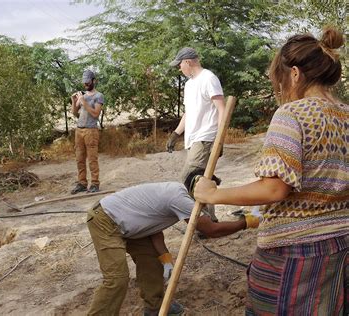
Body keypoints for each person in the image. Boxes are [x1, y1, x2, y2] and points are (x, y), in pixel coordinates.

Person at [194, 27, 348, 315]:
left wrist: (214, 194)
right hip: (340, 246)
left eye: (279, 81)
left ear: (294, 73)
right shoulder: (347, 116)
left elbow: (274, 188)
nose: (281, 90)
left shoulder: (293, 115)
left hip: (294, 252)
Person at [86, 177, 261, 316]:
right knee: (117, 279)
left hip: (131, 226)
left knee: (152, 264)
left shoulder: (176, 190)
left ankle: (155, 308)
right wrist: (245, 222)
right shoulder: (181, 200)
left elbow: (153, 226)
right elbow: (211, 230)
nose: (209, 203)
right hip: (106, 220)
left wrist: (165, 259)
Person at [166, 47, 226, 221]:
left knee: (188, 177)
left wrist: (220, 139)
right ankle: (210, 219)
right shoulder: (189, 84)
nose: (179, 69)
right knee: (200, 180)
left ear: (188, 62)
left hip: (206, 137)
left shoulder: (208, 78)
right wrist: (176, 134)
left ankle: (206, 219)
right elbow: (189, 112)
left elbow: (221, 109)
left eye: (180, 65)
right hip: (192, 139)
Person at [70, 69, 104, 194]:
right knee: (79, 158)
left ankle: (95, 183)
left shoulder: (98, 96)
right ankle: (82, 183)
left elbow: (95, 114)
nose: (86, 85)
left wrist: (84, 102)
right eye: (84, 83)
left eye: (88, 83)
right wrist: (74, 101)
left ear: (94, 81)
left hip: (91, 130)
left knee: (92, 158)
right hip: (79, 130)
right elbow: (74, 113)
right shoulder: (82, 96)